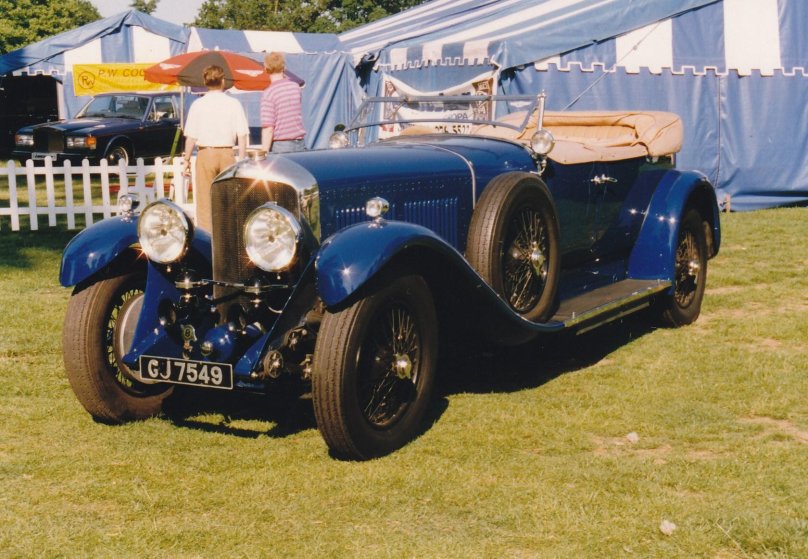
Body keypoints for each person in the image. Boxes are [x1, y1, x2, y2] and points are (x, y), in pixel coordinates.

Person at [182, 64, 249, 231]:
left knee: (205, 202)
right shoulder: (233, 104)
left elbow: (191, 137)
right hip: (227, 154)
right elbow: (242, 135)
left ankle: (207, 237)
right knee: (229, 199)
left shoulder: (198, 105)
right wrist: (241, 160)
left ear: (205, 82)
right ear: (223, 81)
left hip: (206, 153)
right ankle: (229, 234)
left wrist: (186, 159)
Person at [260, 52, 306, 154]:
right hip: (300, 142)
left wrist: (264, 152)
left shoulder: (269, 93)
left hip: (281, 145)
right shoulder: (295, 87)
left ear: (265, 68)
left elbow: (268, 128)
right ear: (284, 67)